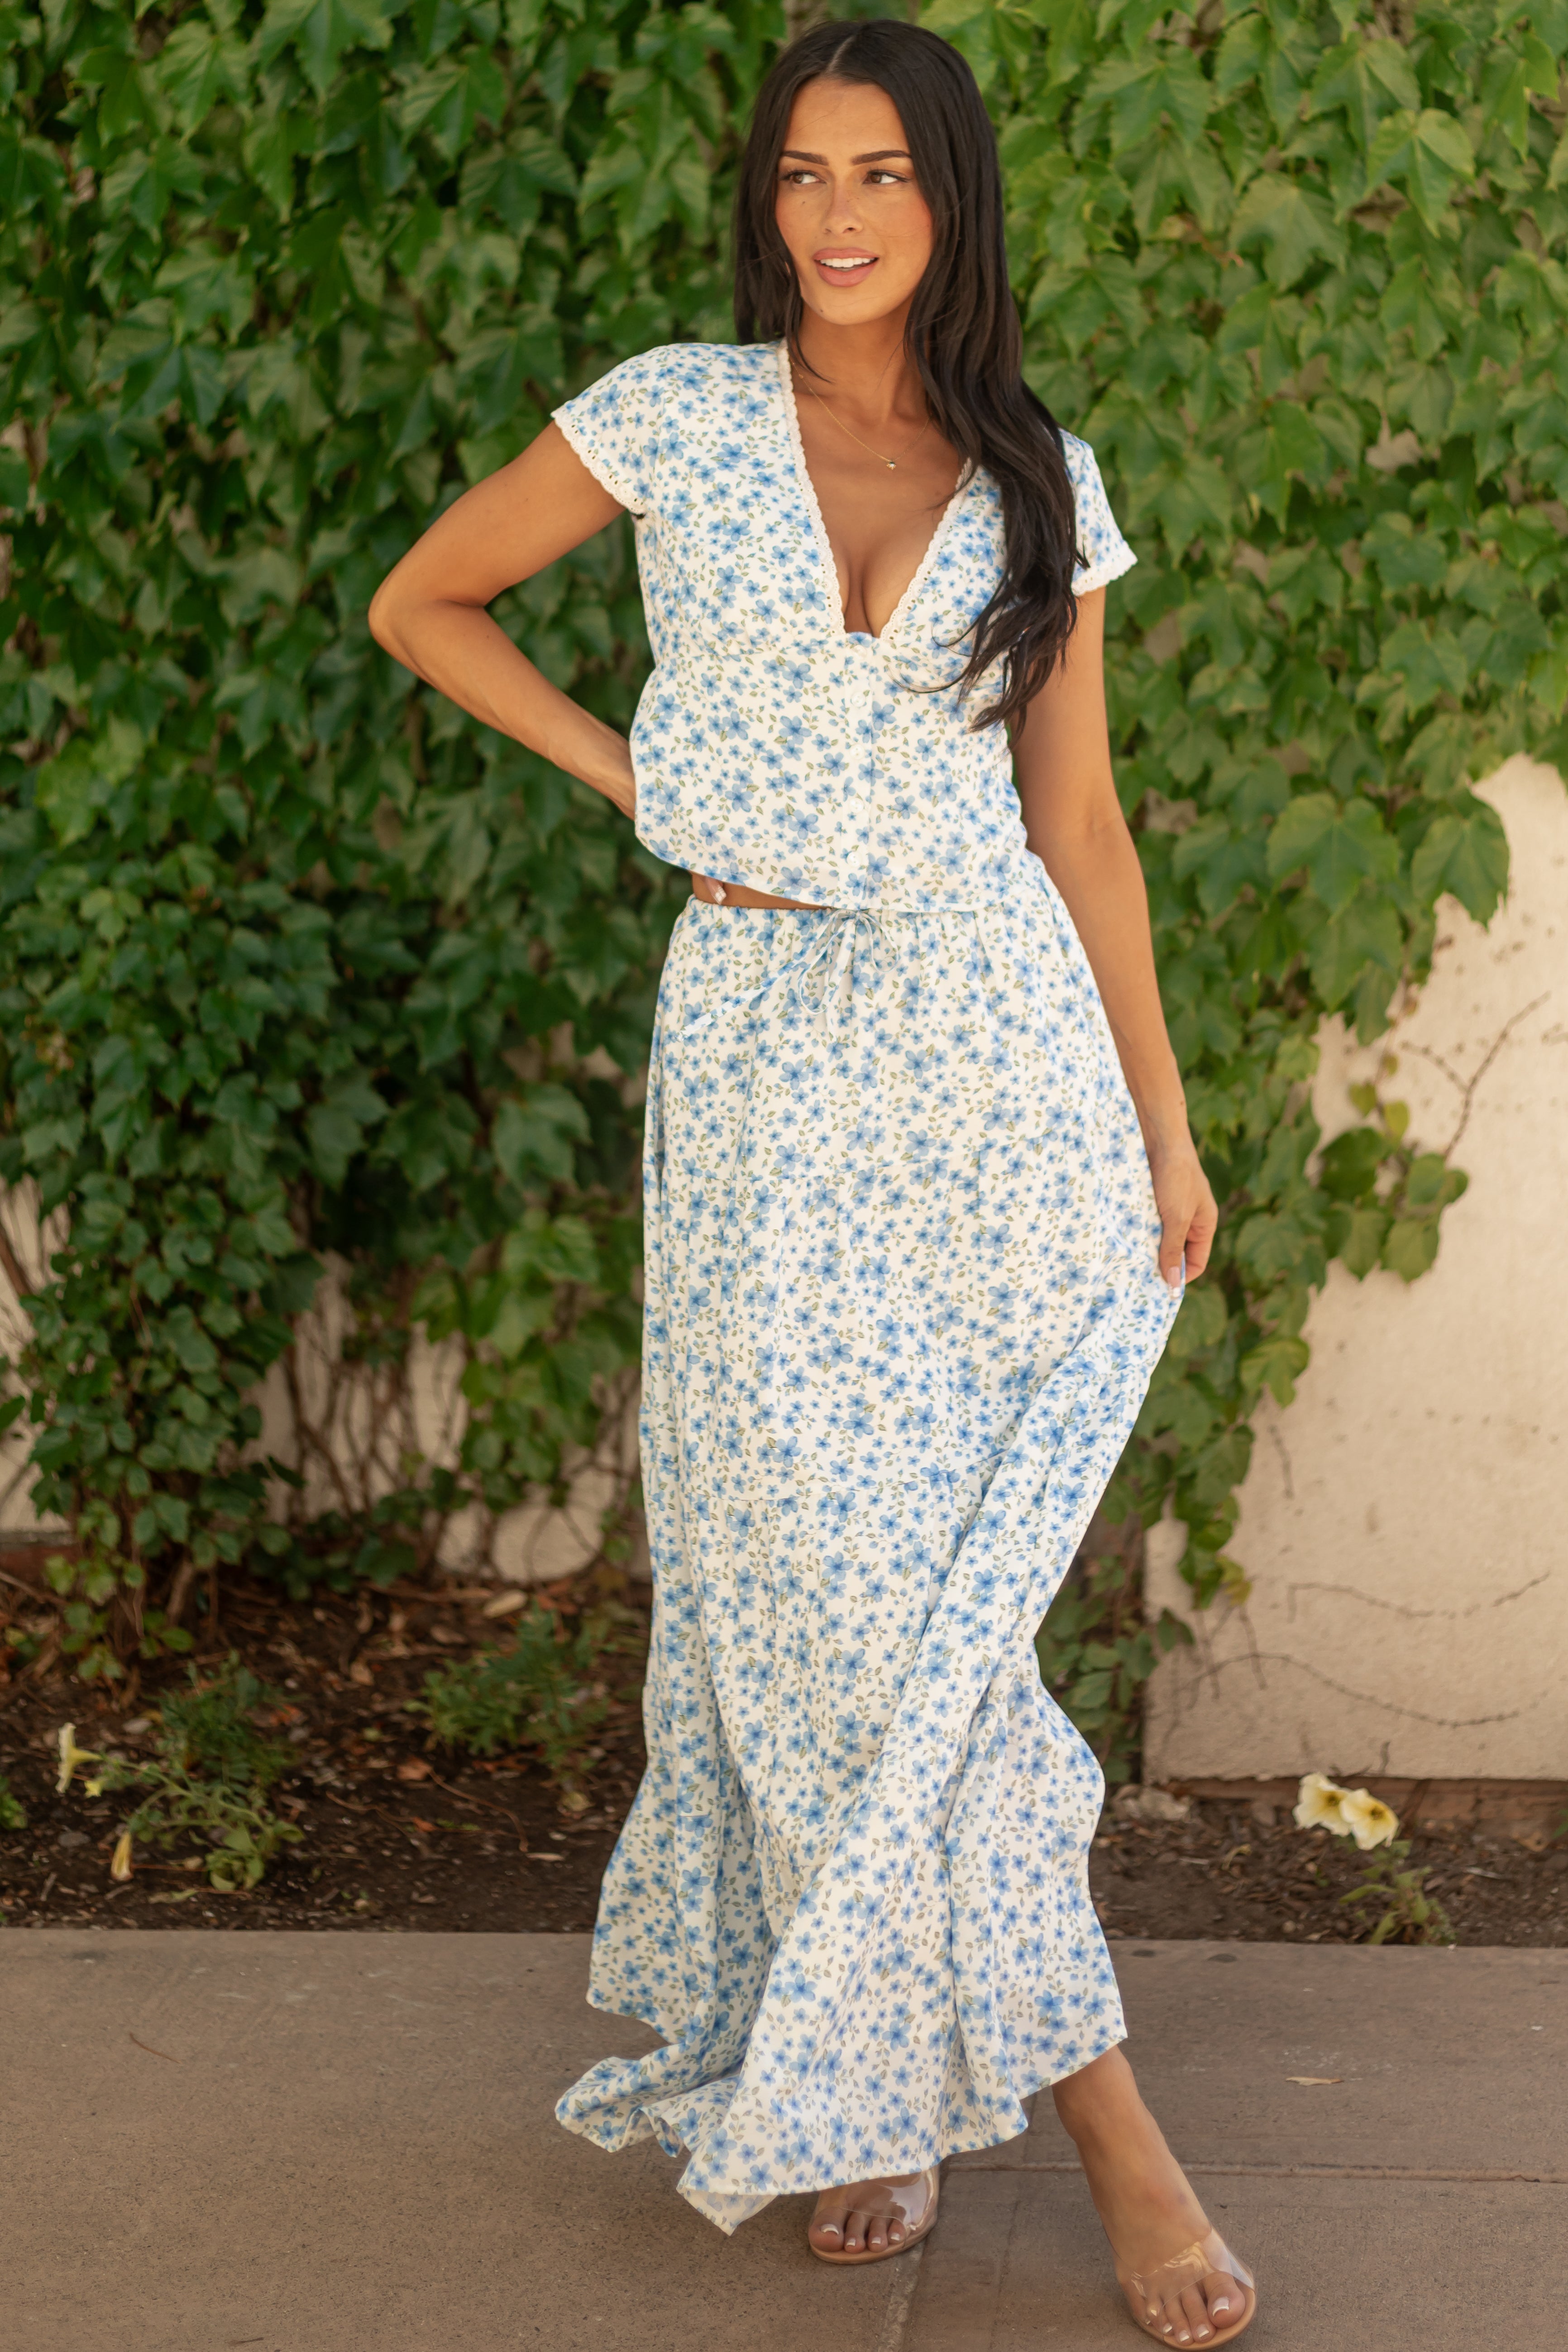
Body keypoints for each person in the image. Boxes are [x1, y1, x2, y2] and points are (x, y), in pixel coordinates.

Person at [370, 17, 1247, 2343]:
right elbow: (423, 602)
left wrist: (1160, 1123)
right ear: (764, 199)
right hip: (767, 1073)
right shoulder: (670, 413)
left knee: (935, 1624)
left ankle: (876, 2094)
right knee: (826, 1611)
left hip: (996, 1076)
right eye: (799, 173)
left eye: (880, 172)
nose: (836, 214)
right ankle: (1109, 2142)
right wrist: (643, 784)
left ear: (950, 198)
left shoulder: (1035, 474)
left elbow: (1079, 827)